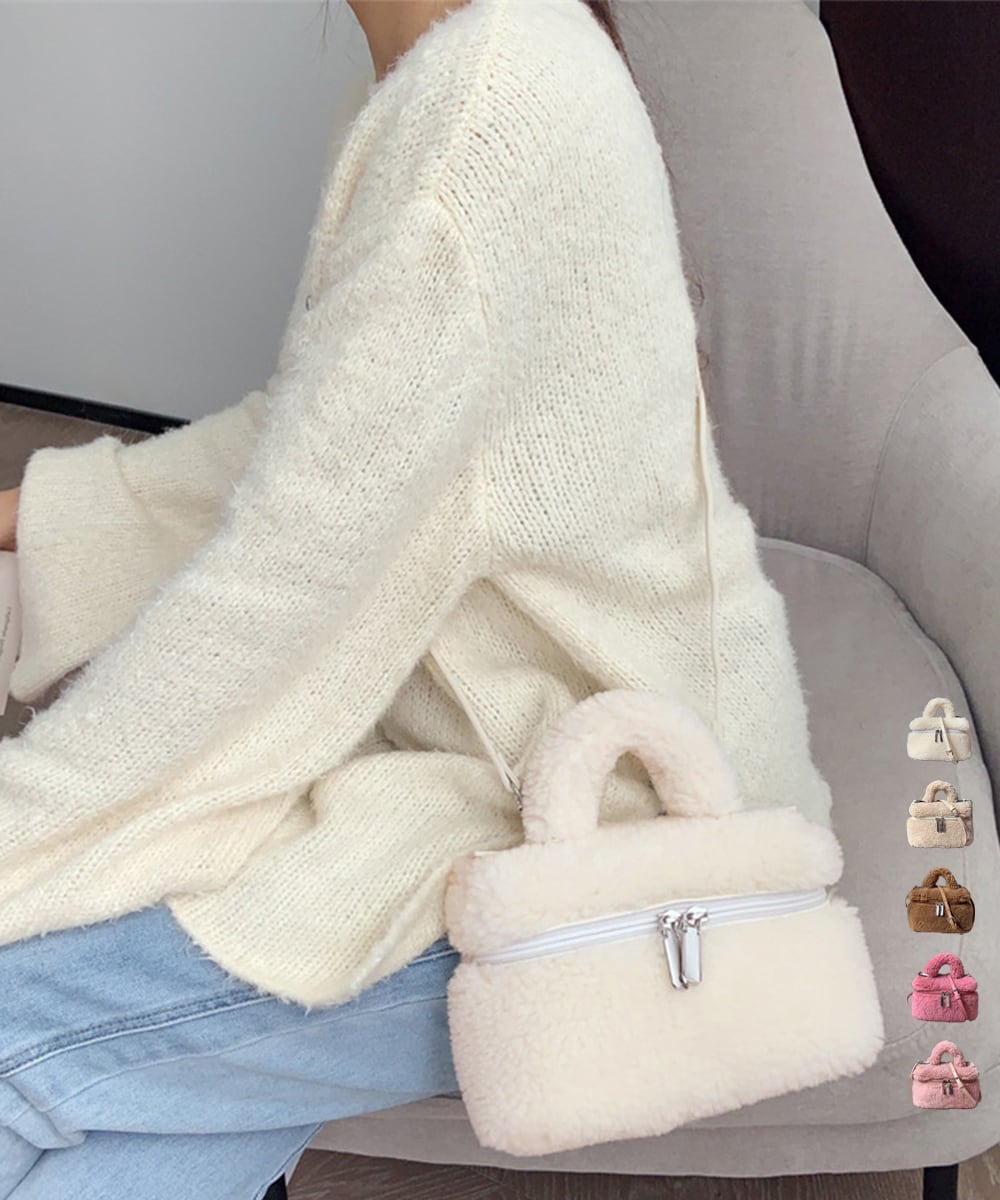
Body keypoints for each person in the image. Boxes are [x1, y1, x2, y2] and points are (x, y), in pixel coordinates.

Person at [0, 0, 836, 1195]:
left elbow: (282, 593)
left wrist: (25, 828)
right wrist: (38, 511)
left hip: (601, 837)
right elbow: (324, 447)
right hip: (519, 769)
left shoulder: (483, 112)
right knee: (149, 1124)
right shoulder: (475, 65)